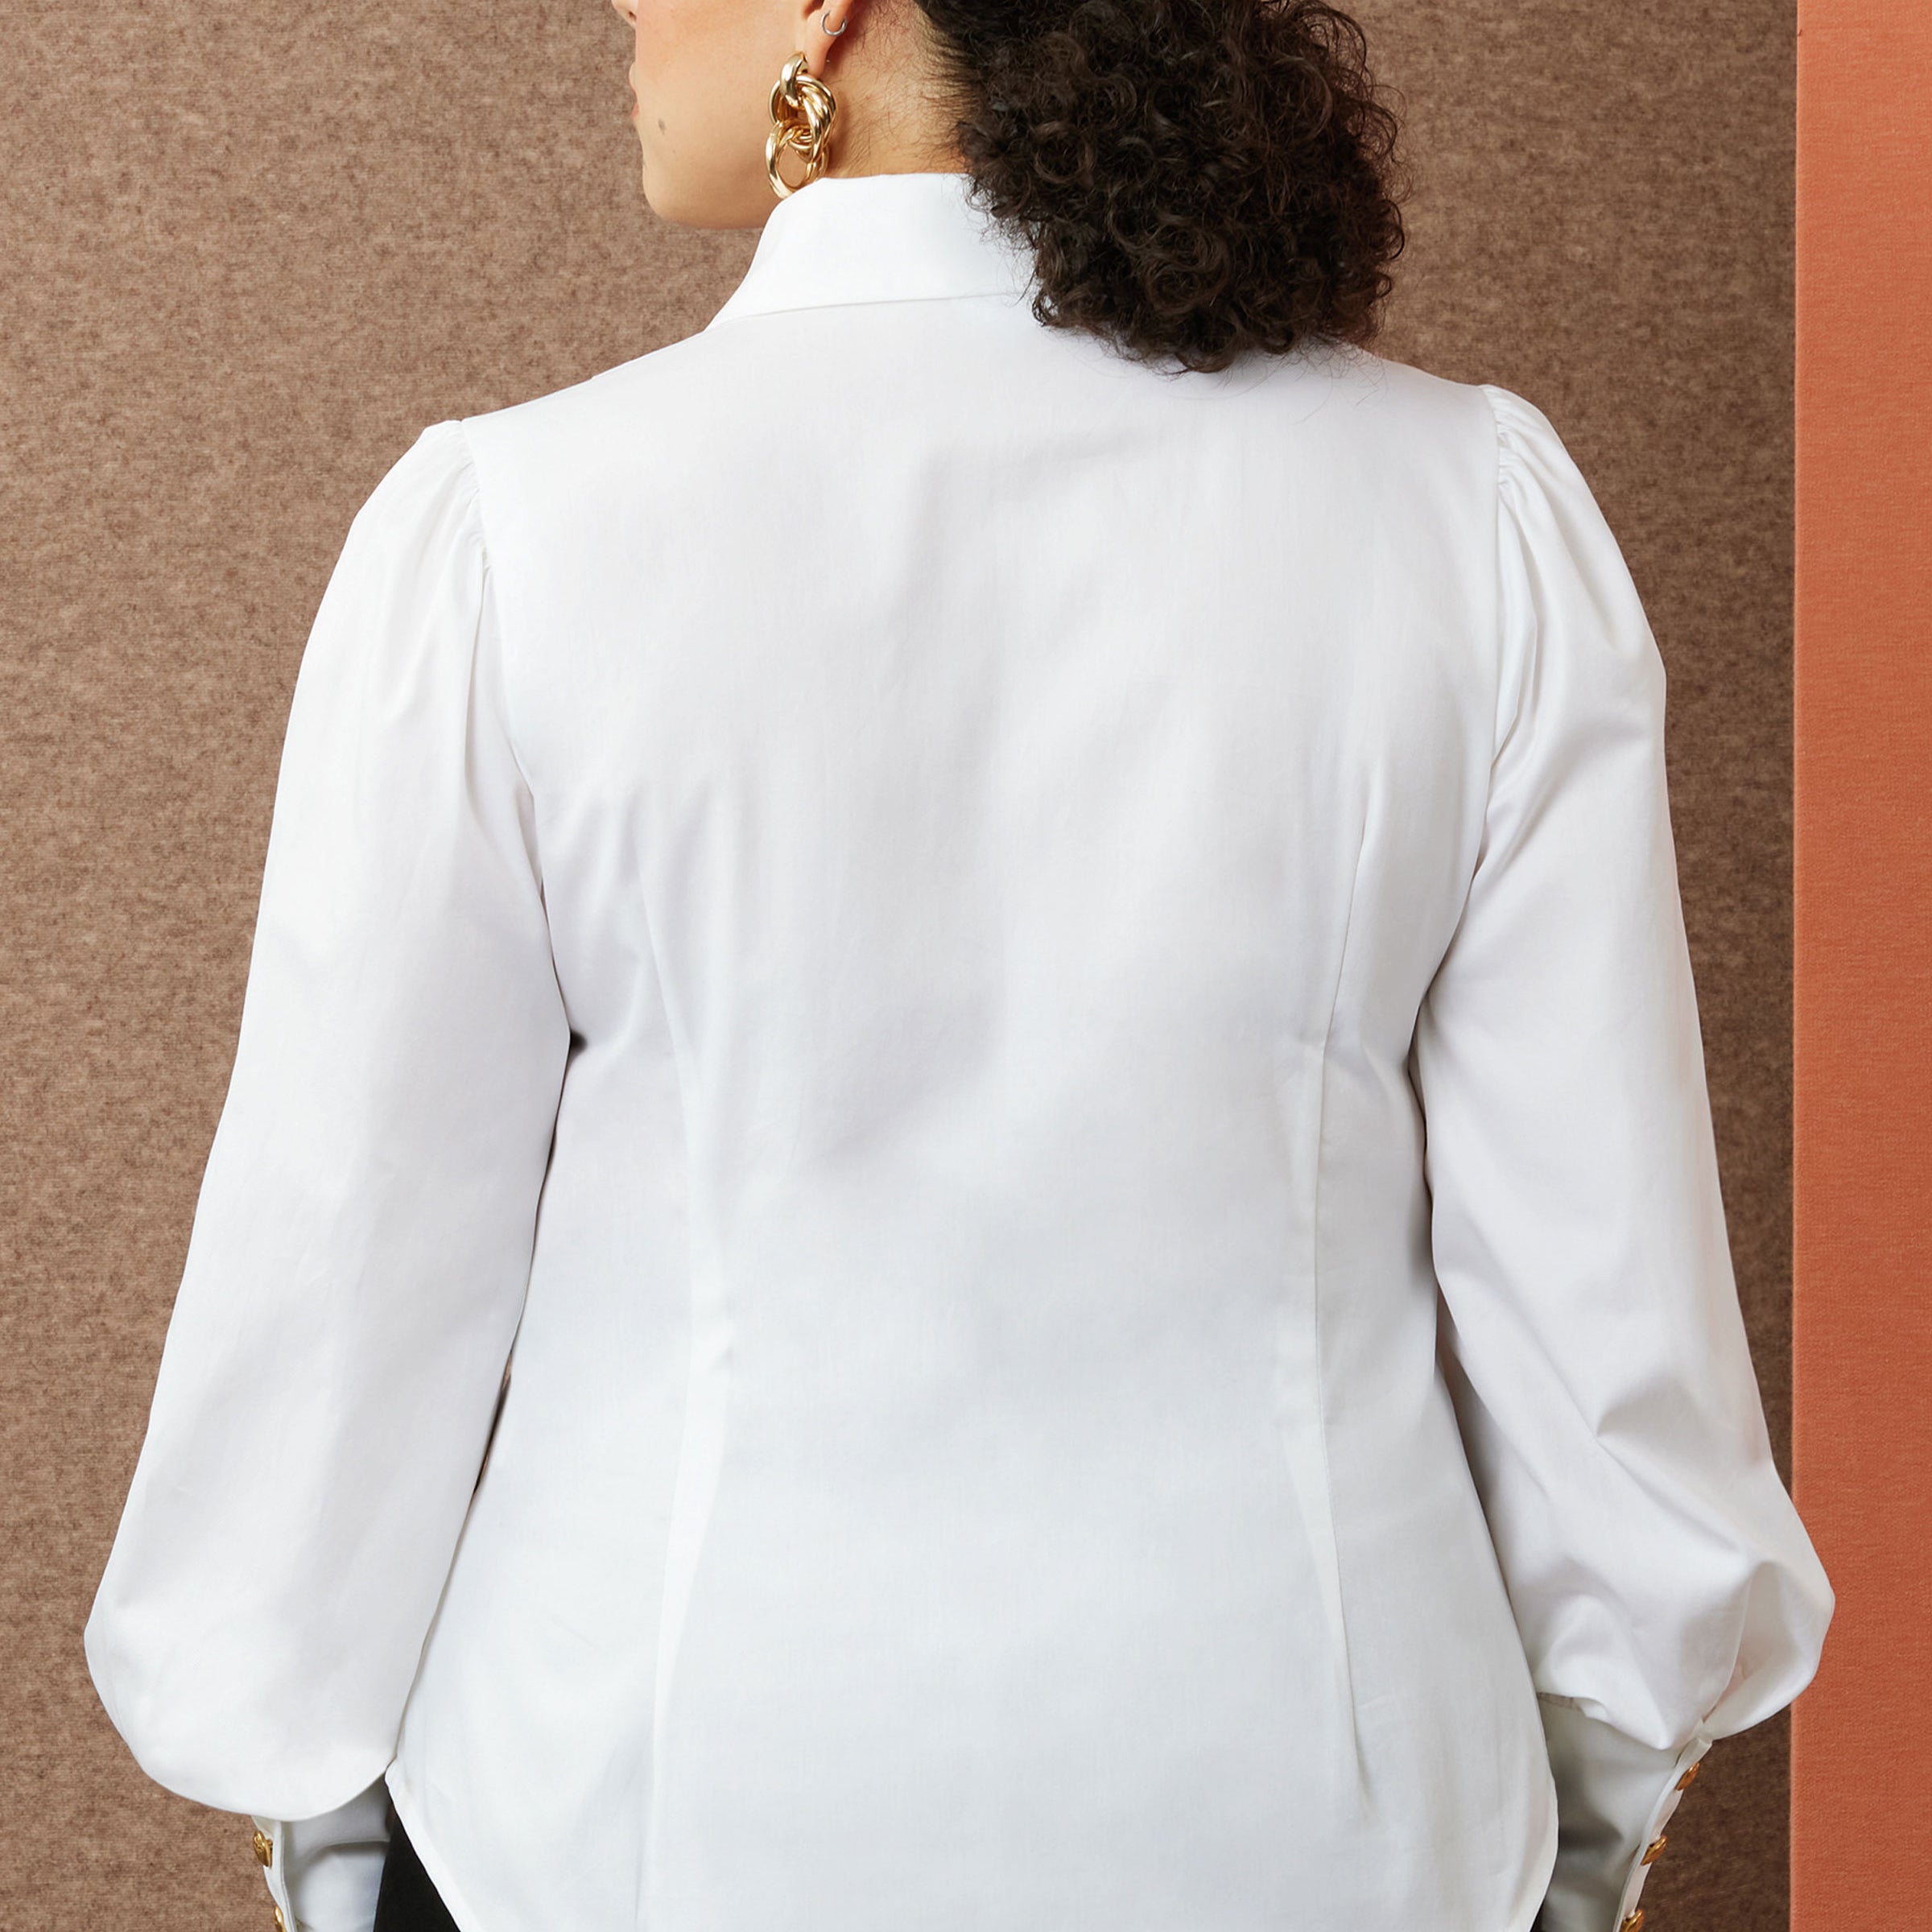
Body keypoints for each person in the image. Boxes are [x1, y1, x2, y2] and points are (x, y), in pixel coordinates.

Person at [84, 0, 1832, 1929]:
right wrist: (1566, 1830)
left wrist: (306, 1804)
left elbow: (341, 1297)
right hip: (1335, 1833)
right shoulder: (1471, 513)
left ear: (831, 11)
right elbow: (1610, 1336)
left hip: (619, 1829)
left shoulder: (511, 530)